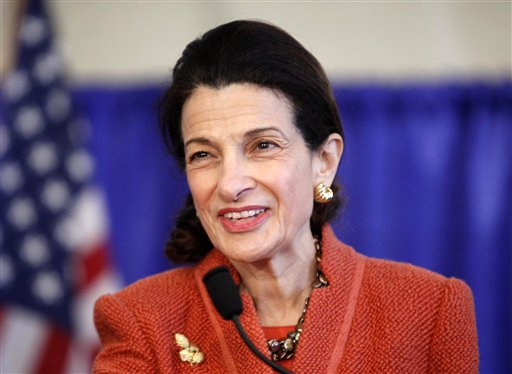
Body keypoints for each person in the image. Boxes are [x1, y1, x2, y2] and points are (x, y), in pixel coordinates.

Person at [93, 20, 478, 373]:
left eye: (262, 145)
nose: (229, 184)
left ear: (324, 160)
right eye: (204, 154)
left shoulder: (429, 310)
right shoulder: (141, 319)